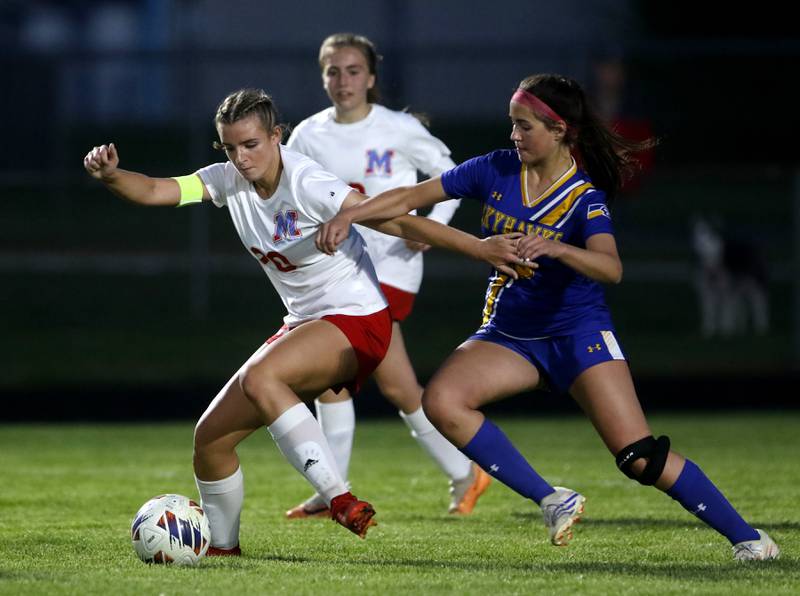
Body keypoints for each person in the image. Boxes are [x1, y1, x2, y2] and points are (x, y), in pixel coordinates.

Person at [316, 74, 781, 561]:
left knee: (638, 458)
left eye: (525, 126)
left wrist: (558, 247)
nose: (514, 136)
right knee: (444, 401)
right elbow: (412, 197)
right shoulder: (494, 169)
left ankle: (749, 539)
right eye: (511, 125)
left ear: (559, 130)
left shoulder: (584, 197)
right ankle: (552, 498)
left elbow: (611, 268)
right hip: (511, 335)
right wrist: (353, 213)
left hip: (578, 335)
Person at [82, 88, 521, 554]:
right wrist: (111, 175)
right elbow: (154, 190)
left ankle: (338, 498)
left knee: (263, 377)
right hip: (306, 323)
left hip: (358, 318)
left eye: (251, 144)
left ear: (276, 136)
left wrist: (478, 247)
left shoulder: (308, 181)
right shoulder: (227, 179)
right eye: (230, 148)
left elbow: (396, 220)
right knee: (210, 440)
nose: (241, 158)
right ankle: (224, 548)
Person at [284, 32, 490, 519]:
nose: (343, 80)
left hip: (392, 267)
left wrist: (432, 226)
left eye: (353, 71)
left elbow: (451, 175)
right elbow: (291, 195)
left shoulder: (397, 128)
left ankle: (464, 471)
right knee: (336, 379)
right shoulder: (308, 135)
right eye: (333, 71)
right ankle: (333, 488)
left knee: (390, 383)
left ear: (371, 77)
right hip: (339, 271)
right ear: (323, 77)